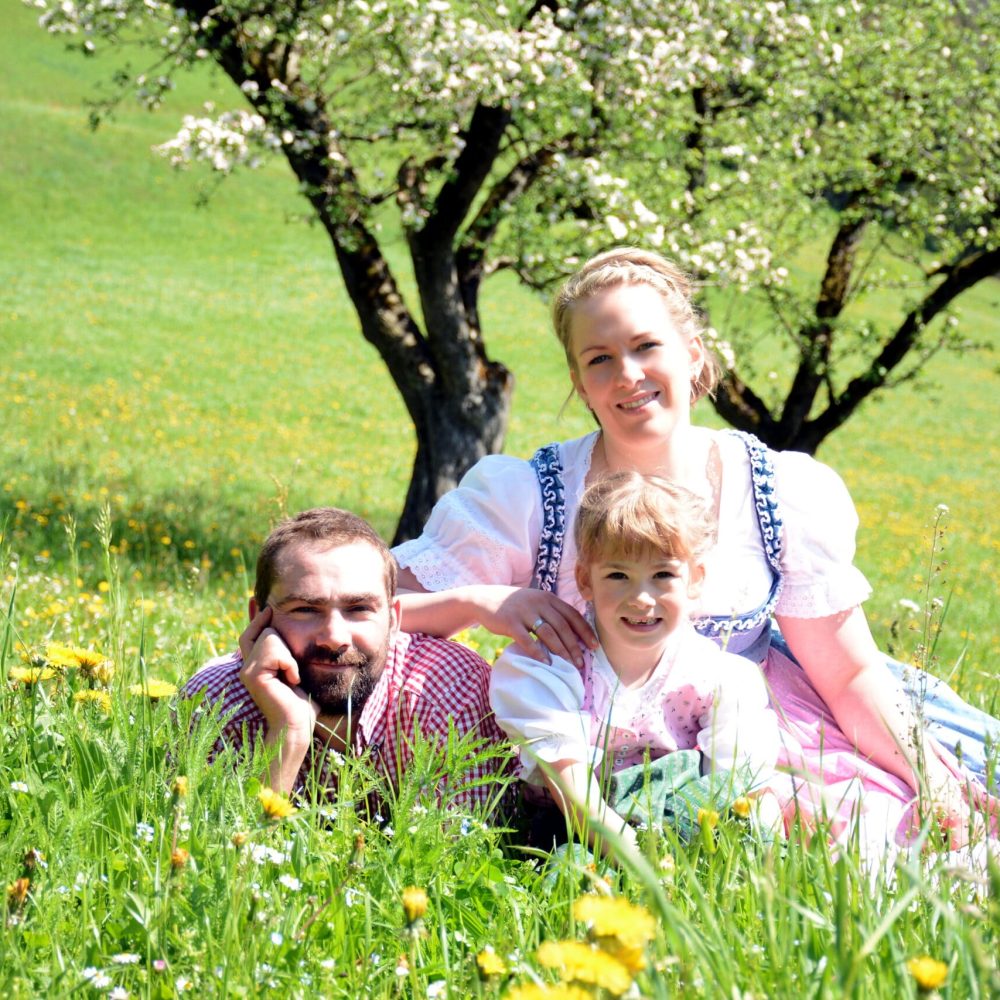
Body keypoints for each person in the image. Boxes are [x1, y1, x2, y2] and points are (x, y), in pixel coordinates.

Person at [392, 247, 998, 846]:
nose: (627, 374)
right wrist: (482, 603)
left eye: (646, 346)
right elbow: (373, 610)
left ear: (693, 355)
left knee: (883, 838)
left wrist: (928, 779)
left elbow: (848, 673)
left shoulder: (776, 492)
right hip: (579, 765)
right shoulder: (532, 496)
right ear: (579, 384)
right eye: (599, 359)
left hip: (746, 744)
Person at [490, 472, 783, 857]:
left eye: (662, 575)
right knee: (571, 869)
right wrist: (646, 865)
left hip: (685, 823)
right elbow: (574, 796)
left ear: (695, 580)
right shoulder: (554, 668)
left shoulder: (719, 677)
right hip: (580, 829)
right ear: (585, 581)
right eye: (618, 576)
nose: (642, 598)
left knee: (753, 835)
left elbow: (742, 788)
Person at [183, 507, 509, 812]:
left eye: (359, 609)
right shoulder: (214, 701)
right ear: (258, 618)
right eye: (306, 609)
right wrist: (288, 734)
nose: (335, 637)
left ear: (394, 620)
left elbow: (454, 863)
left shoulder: (451, 696)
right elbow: (217, 861)